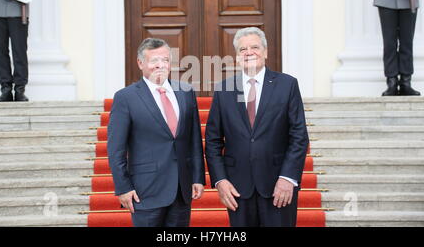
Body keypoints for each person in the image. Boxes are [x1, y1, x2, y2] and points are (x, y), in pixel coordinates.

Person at [205, 27, 309, 227]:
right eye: (242, 49)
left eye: (254, 47)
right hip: (237, 189)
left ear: (266, 52)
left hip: (278, 186)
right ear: (236, 56)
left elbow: (298, 136)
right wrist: (220, 181)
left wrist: (288, 177)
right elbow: (212, 141)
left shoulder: (287, 85)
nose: (249, 52)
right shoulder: (223, 90)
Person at [107, 38, 205, 227]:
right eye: (154, 61)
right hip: (145, 191)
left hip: (181, 190)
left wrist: (197, 178)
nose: (161, 65)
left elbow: (194, 139)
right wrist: (123, 187)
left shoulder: (185, 91)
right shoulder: (125, 98)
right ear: (140, 63)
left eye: (165, 60)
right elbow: (115, 149)